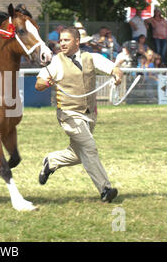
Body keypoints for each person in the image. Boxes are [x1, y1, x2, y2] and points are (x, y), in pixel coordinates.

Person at [35, 26, 122, 203]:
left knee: (78, 154)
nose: (62, 43)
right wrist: (45, 83)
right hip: (68, 114)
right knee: (89, 147)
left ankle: (51, 161)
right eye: (60, 40)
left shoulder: (92, 58)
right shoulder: (56, 62)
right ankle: (105, 189)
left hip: (90, 114)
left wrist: (117, 75)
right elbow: (39, 82)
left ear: (77, 41)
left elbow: (115, 69)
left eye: (66, 40)